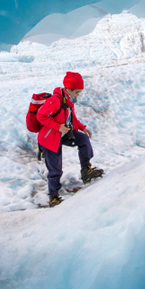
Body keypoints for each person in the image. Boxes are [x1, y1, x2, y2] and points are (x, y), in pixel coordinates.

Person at [36, 71, 103, 206]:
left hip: (62, 134)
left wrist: (82, 127)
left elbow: (71, 117)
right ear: (69, 89)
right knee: (56, 170)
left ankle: (86, 171)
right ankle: (53, 197)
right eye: (77, 92)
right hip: (49, 138)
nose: (78, 95)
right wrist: (57, 126)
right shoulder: (55, 101)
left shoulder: (67, 100)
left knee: (83, 140)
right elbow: (40, 116)